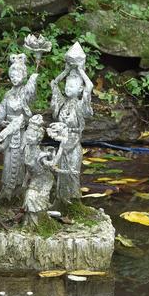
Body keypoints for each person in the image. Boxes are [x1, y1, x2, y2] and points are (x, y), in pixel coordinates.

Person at [0, 53, 38, 204]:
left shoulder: (25, 93)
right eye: (12, 75)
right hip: (8, 134)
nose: (14, 78)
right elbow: (0, 117)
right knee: (8, 163)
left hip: (21, 134)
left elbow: (29, 109)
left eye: (18, 75)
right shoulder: (7, 94)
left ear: (24, 75)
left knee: (21, 161)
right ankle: (6, 192)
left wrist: (33, 80)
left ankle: (19, 192)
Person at [50, 42, 93, 204]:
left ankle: (74, 203)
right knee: (60, 173)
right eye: (67, 84)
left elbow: (90, 86)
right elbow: (54, 84)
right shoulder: (62, 103)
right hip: (62, 143)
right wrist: (66, 71)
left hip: (74, 143)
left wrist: (80, 70)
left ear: (80, 89)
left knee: (72, 173)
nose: (68, 87)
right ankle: (61, 201)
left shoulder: (80, 105)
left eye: (73, 85)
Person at [22, 115, 57, 228]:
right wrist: (25, 182)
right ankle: (28, 224)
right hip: (34, 178)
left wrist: (59, 150)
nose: (29, 137)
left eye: (32, 136)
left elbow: (52, 165)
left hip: (44, 180)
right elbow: (29, 169)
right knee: (28, 196)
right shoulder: (26, 150)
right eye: (28, 134)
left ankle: (38, 225)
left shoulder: (41, 155)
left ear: (38, 137)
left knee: (31, 197)